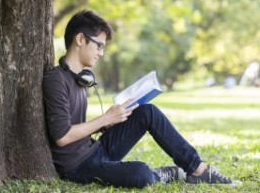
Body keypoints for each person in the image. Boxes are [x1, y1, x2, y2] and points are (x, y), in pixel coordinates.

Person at [43, 10, 240, 188]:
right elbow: (62, 137)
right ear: (80, 39)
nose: (101, 53)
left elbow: (77, 127)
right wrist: (105, 119)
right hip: (77, 166)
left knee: (147, 112)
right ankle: (164, 173)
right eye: (99, 46)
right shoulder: (56, 79)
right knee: (142, 174)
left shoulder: (82, 79)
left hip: (96, 150)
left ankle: (199, 169)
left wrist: (111, 122)